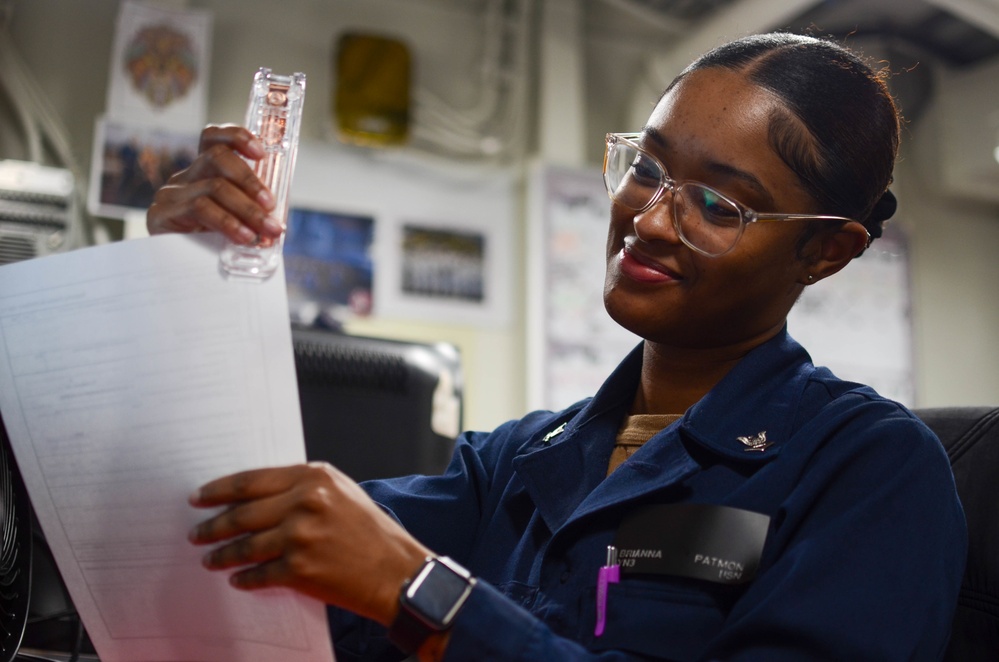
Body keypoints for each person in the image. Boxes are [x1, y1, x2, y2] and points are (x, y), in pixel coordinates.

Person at [149, 32, 966, 661]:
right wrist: (186, 284)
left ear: (825, 252)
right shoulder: (516, 462)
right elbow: (239, 537)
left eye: (718, 206)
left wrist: (424, 595)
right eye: (645, 167)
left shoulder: (870, 471)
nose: (646, 220)